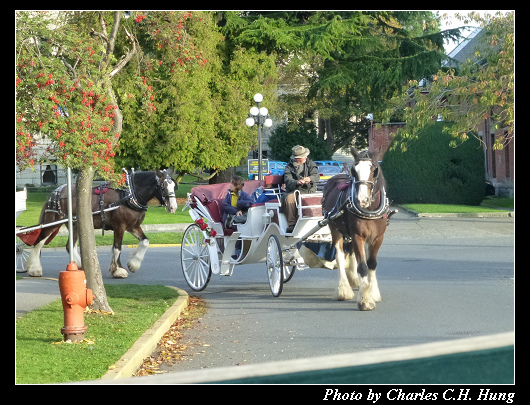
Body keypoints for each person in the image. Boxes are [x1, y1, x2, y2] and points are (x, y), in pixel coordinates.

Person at [281, 145, 320, 233]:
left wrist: (309, 179)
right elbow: (287, 179)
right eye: (302, 157)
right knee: (290, 198)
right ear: (296, 159)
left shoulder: (311, 164)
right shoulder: (289, 167)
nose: (305, 158)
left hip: (309, 190)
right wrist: (297, 182)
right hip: (293, 191)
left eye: (305, 156)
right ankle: (292, 224)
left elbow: (316, 176)